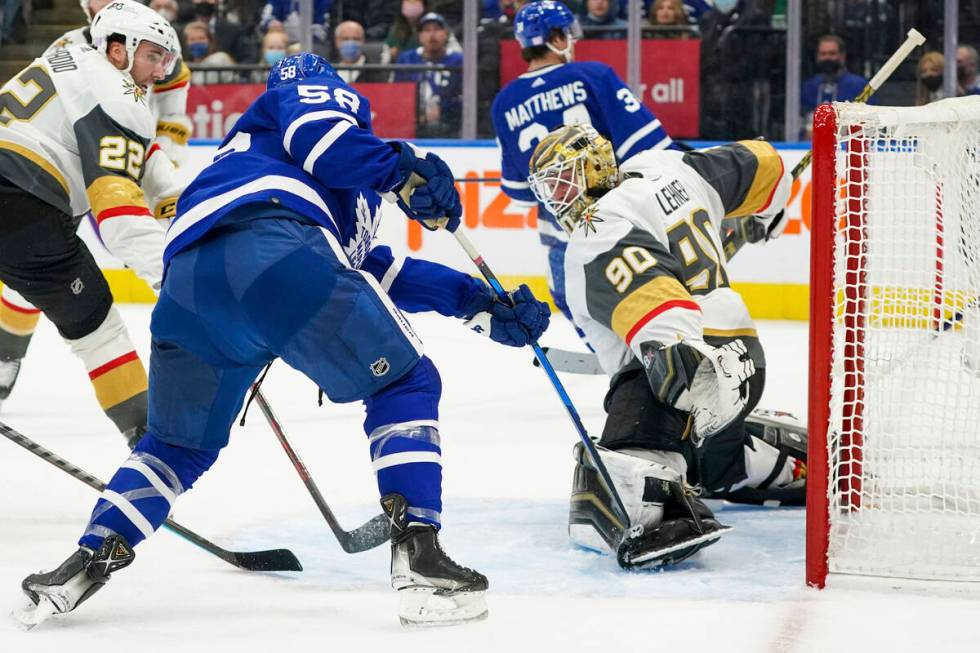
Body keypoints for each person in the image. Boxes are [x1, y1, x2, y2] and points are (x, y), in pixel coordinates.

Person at [15, 53, 551, 629]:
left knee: (177, 445)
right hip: (274, 251)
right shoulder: (308, 89)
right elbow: (322, 138)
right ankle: (419, 550)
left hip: (190, 290)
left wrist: (478, 304)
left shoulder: (295, 174)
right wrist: (403, 167)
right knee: (407, 380)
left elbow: (372, 270)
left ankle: (87, 561)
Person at [527, 124, 807, 567]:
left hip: (693, 374)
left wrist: (692, 373)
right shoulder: (670, 167)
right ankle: (750, 459)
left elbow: (663, 316)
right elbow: (766, 164)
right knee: (712, 465)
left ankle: (653, 500)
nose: (558, 197)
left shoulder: (598, 228)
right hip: (747, 360)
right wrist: (765, 209)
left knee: (610, 471)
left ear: (595, 167)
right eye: (549, 188)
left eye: (563, 179)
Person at [0, 0, 182, 444]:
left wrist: (179, 200)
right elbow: (119, 219)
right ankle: (152, 448)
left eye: (166, 58)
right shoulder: (119, 96)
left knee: (25, 285)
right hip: (23, 205)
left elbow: (141, 150)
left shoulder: (71, 52)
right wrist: (179, 281)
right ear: (119, 50)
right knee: (100, 329)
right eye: (153, 56)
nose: (160, 72)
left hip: (15, 185)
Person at [491, 0, 674, 339]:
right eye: (566, 34)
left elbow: (519, 193)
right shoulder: (593, 75)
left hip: (564, 245)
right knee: (650, 315)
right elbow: (653, 148)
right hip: (623, 230)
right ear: (556, 38)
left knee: (588, 320)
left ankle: (619, 372)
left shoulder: (504, 102)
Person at [45, 0, 193, 166]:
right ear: (86, 6)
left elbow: (173, 105)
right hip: (77, 147)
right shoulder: (67, 45)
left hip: (135, 141)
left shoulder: (158, 37)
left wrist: (165, 152)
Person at [393, 13, 463, 138]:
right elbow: (397, 95)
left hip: (449, 125)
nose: (432, 35)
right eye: (427, 30)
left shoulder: (458, 60)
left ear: (446, 33)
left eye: (437, 29)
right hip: (411, 123)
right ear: (419, 36)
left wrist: (443, 110)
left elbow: (464, 98)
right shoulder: (407, 59)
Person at [800, 35, 869, 136]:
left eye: (832, 53)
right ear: (817, 57)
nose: (827, 58)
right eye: (823, 54)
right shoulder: (809, 86)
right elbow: (801, 123)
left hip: (847, 148)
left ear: (842, 56)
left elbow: (868, 125)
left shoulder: (859, 86)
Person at [332, 19, 389, 84]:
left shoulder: (376, 73)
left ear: (363, 41)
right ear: (336, 41)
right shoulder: (327, 71)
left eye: (356, 39)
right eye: (345, 39)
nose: (350, 43)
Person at [183, 21, 239, 85]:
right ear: (186, 43)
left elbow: (200, 86)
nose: (197, 42)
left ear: (210, 41)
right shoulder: (183, 66)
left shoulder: (219, 59)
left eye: (201, 38)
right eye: (192, 39)